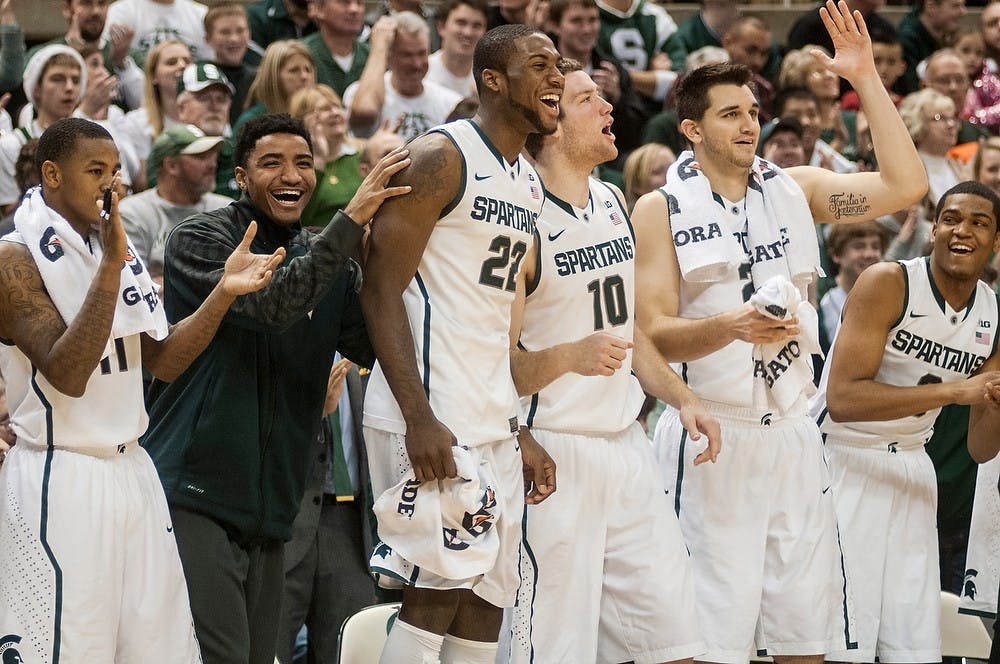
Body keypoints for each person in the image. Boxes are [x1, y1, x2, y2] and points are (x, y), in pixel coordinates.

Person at [631, 2, 928, 661]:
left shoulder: (797, 188)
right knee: (709, 644)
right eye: (729, 114)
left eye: (753, 112)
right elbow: (652, 336)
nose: (748, 124)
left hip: (795, 435)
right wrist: (733, 325)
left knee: (805, 638)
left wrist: (865, 79)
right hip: (713, 436)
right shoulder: (658, 209)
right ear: (691, 129)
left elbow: (907, 186)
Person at [0, 116, 285, 662]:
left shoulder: (114, 254)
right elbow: (67, 374)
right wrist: (110, 262)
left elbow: (165, 361)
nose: (111, 185)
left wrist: (222, 294)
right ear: (53, 174)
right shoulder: (17, 259)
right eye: (95, 171)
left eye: (115, 171)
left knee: (158, 651)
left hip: (134, 471)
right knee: (66, 650)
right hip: (61, 476)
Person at [140, 113, 410, 664]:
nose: (292, 174)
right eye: (271, 162)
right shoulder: (200, 239)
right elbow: (275, 304)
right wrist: (347, 223)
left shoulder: (329, 256)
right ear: (239, 176)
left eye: (304, 162)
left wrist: (394, 251)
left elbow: (376, 347)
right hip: (194, 493)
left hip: (274, 509)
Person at [507, 60, 720, 664]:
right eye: (586, 100)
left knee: (679, 643)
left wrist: (683, 399)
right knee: (549, 651)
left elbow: (628, 335)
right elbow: (498, 363)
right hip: (551, 453)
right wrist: (564, 364)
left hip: (626, 448)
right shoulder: (521, 216)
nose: (607, 109)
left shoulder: (611, 201)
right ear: (549, 120)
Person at [361, 24, 561, 664]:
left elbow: (494, 316)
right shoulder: (441, 157)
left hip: (489, 418)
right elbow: (379, 291)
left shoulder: (527, 179)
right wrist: (419, 417)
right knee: (434, 599)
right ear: (493, 80)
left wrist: (516, 427)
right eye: (540, 65)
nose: (556, 77)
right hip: (430, 412)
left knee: (485, 608)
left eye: (559, 65)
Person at [811, 180, 1000, 664]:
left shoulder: (993, 314)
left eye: (980, 223)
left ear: (996, 242)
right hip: (843, 461)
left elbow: (981, 449)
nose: (963, 230)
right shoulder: (888, 282)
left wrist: (995, 404)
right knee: (839, 643)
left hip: (915, 469)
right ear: (934, 228)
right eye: (952, 218)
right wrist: (956, 391)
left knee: (913, 647)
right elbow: (844, 398)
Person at [276, 357, 378, 664]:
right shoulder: (285, 330)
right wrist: (312, 410)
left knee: (348, 652)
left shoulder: (365, 338)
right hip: (285, 522)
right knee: (267, 650)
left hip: (351, 527)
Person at [119, 124, 232, 280]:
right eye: (201, 157)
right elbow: (137, 285)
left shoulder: (226, 210)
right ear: (171, 165)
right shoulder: (133, 213)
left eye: (212, 156)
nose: (213, 164)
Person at [345, 12, 463, 140]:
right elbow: (364, 113)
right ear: (389, 56)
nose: (416, 64)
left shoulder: (450, 102)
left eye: (421, 53)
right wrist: (379, 48)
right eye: (407, 55)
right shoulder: (357, 93)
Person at [817, 219, 887, 351]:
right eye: (859, 246)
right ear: (837, 255)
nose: (869, 254)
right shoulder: (823, 299)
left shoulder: (889, 295)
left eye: (875, 246)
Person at [235, 39, 316, 132]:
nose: (304, 76)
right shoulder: (253, 122)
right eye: (294, 70)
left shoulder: (320, 115)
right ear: (273, 76)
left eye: (308, 70)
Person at [302, 0, 369, 99]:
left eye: (359, 3)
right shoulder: (301, 53)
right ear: (320, 9)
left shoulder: (373, 55)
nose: (354, 9)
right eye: (344, 2)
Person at [428, 0, 487, 99]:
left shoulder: (489, 78)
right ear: (441, 27)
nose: (468, 33)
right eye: (461, 23)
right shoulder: (423, 73)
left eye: (476, 26)